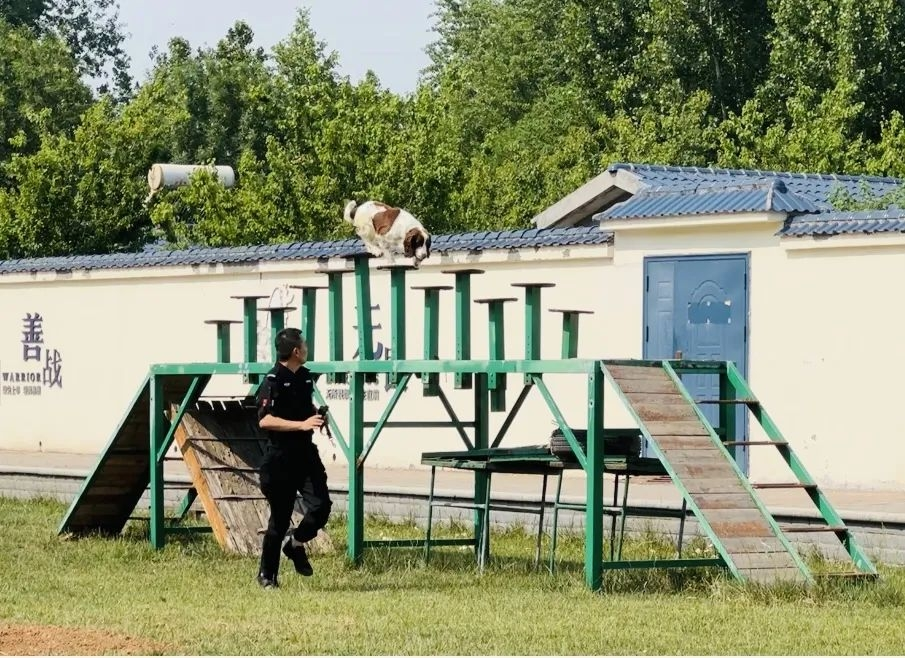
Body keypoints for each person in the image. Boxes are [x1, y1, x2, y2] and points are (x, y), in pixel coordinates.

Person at [255, 327, 332, 589]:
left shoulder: (306, 378)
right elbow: (265, 420)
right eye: (305, 345)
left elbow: (303, 409)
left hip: (305, 454)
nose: (308, 349)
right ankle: (267, 576)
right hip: (280, 457)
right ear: (296, 351)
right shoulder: (272, 380)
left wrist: (316, 416)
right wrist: (300, 425)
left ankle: (296, 543)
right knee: (279, 517)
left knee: (322, 506)